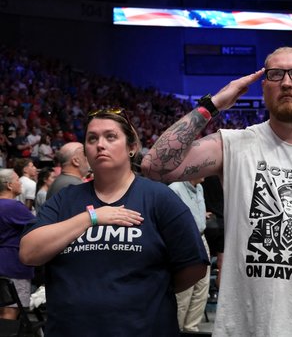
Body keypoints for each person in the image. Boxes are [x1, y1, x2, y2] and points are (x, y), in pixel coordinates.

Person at [141, 46, 292, 336]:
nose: (286, 82)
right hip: (246, 327)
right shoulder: (233, 145)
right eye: (275, 74)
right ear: (263, 85)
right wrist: (214, 103)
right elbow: (154, 166)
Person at [20, 108, 209, 336]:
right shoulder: (66, 199)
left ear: (132, 147)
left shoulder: (159, 197)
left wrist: (149, 294)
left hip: (143, 329)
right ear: (86, 152)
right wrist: (92, 217)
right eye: (92, 139)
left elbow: (195, 266)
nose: (100, 144)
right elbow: (29, 253)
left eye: (111, 137)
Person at [168, 177, 211, 333]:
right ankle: (176, 330)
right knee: (184, 293)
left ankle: (191, 329)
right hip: (185, 240)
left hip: (201, 237)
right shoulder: (175, 188)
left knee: (202, 290)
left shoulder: (199, 187)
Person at [0, 169, 34, 320]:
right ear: (9, 185)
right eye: (17, 180)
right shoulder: (13, 206)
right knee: (10, 311)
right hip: (12, 265)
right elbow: (39, 226)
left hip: (3, 262)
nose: (20, 182)